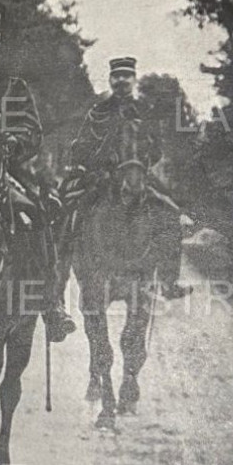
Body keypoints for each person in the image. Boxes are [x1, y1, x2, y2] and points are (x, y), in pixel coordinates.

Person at [0, 10, 77, 343]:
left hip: (4, 171)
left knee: (35, 214)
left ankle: (50, 302)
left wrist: (12, 143)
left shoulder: (13, 88)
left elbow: (33, 131)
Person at [57, 55, 191, 299]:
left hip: (138, 175)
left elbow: (157, 148)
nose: (121, 80)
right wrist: (97, 164)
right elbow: (82, 145)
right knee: (69, 215)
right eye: (116, 76)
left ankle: (169, 281)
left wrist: (141, 160)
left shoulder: (144, 111)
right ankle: (57, 285)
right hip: (102, 178)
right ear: (110, 79)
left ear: (133, 79)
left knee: (171, 213)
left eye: (126, 76)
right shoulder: (98, 111)